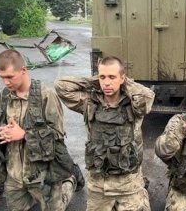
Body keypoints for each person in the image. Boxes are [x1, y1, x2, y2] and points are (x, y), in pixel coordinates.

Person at [54, 56, 155, 211]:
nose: (107, 82)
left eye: (112, 77)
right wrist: (94, 81)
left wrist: (126, 83)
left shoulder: (134, 105)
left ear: (122, 78)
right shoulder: (88, 102)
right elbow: (61, 86)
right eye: (102, 77)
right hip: (98, 183)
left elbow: (147, 97)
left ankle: (142, 194)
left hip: (128, 183)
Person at [0, 49, 83, 211]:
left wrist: (24, 134)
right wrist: (2, 131)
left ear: (23, 70)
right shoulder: (5, 95)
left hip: (42, 173)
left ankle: (69, 182)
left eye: (10, 77)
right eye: (2, 77)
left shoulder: (46, 95)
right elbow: (0, 125)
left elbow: (57, 136)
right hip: (14, 174)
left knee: (56, 207)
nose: (6, 82)